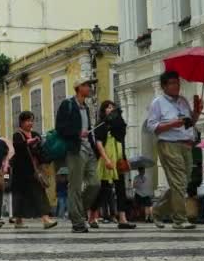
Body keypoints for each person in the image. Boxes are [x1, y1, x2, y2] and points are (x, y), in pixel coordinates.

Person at [146, 71, 203, 230]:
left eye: (177, 83)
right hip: (169, 143)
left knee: (181, 183)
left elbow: (191, 122)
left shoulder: (183, 101)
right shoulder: (158, 102)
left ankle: (157, 210)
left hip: (186, 144)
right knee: (178, 182)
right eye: (172, 83)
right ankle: (179, 219)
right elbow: (152, 126)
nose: (176, 86)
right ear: (164, 86)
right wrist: (172, 124)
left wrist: (197, 112)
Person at [55, 78, 101, 233]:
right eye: (87, 85)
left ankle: (77, 212)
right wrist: (77, 133)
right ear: (78, 87)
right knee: (75, 186)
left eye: (90, 85)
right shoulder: (67, 104)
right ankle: (77, 222)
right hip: (75, 149)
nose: (90, 87)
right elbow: (59, 128)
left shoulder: (86, 107)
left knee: (95, 183)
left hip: (89, 148)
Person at [89, 101, 136, 230]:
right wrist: (106, 159)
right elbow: (98, 143)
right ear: (103, 111)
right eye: (108, 107)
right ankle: (92, 214)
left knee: (121, 189)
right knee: (103, 190)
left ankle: (122, 218)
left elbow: (122, 139)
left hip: (119, 157)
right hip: (107, 158)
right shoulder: (101, 124)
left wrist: (124, 158)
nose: (111, 109)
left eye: (112, 107)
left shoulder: (119, 124)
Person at [11, 111, 57, 230]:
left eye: (32, 120)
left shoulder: (35, 134)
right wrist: (28, 143)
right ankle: (18, 220)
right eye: (27, 120)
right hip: (21, 171)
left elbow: (40, 150)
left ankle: (45, 219)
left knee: (39, 193)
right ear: (21, 122)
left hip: (35, 170)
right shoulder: (18, 134)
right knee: (20, 195)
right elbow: (18, 147)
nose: (30, 123)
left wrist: (44, 156)